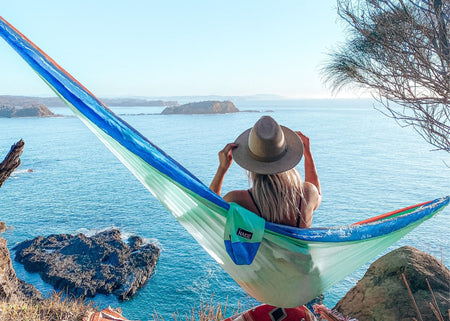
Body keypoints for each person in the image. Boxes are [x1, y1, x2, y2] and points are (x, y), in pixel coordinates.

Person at [210, 116, 321, 228]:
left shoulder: (237, 200)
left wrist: (222, 169)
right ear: (286, 158)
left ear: (250, 162)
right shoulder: (308, 194)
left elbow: (210, 211)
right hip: (297, 246)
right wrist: (308, 155)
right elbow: (317, 196)